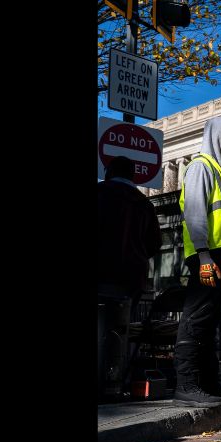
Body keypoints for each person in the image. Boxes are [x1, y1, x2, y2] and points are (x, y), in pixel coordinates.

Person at [173, 116, 221, 408]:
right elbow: (194, 213)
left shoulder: (218, 172)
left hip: (216, 257)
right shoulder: (201, 167)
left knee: (208, 322)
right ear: (220, 140)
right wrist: (204, 256)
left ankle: (209, 385)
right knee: (196, 320)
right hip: (205, 256)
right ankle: (187, 385)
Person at [98, 156, 163, 398]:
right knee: (121, 329)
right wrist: (137, 253)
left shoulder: (101, 192)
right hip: (131, 276)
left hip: (102, 271)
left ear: (109, 172)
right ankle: (113, 382)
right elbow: (155, 242)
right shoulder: (143, 203)